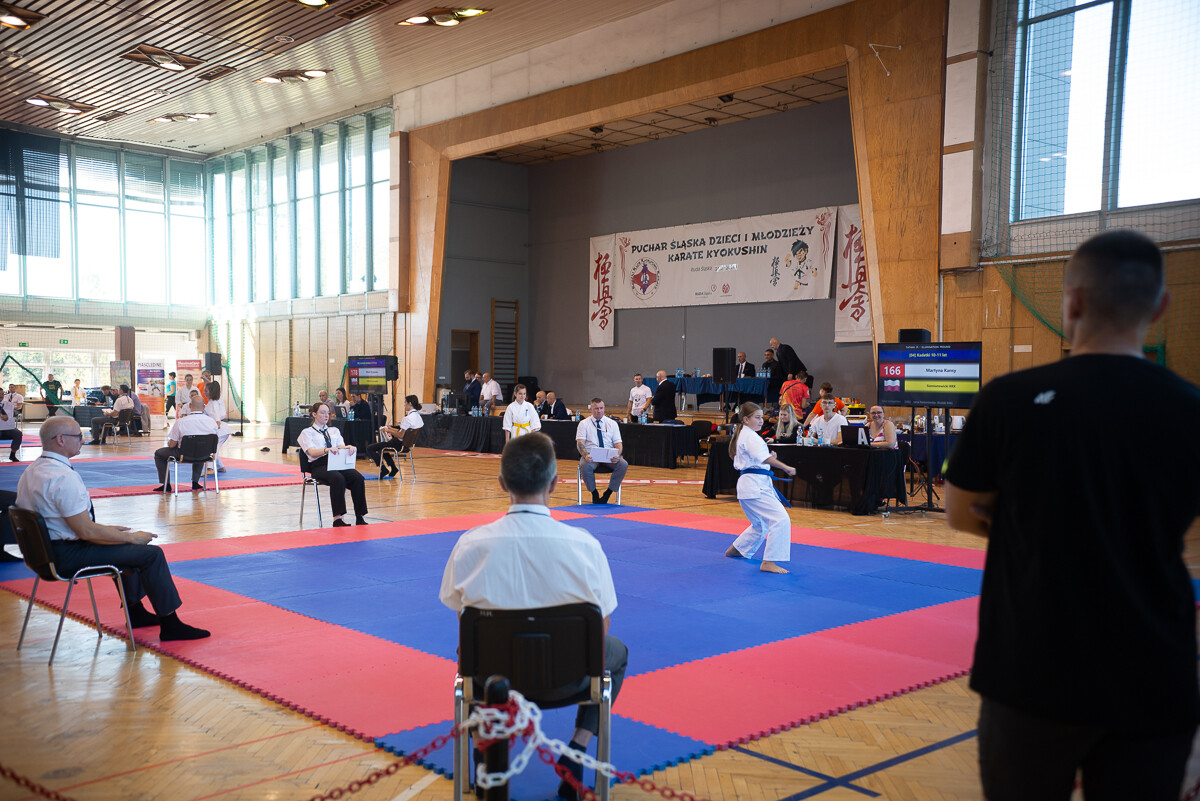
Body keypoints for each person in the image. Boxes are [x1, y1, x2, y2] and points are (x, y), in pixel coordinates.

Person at [944, 230, 1200, 801]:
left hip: (1031, 667)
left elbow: (961, 512)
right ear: (1161, 307)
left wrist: (1037, 518)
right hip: (1154, 670)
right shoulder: (1189, 410)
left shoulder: (1008, 400)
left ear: (1073, 302)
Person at [439, 432, 627, 801]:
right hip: (572, 677)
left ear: (501, 483)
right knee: (615, 651)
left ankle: (484, 751)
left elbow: (460, 615)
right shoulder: (585, 545)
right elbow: (601, 627)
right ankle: (577, 748)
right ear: (556, 484)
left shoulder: (471, 544)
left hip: (491, 679)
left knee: (469, 651)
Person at [17, 416, 211, 640]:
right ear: (60, 440)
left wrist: (111, 533)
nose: (83, 440)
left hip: (43, 554)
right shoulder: (62, 477)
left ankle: (136, 613)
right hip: (66, 555)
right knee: (151, 554)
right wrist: (132, 539)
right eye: (78, 436)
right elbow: (86, 532)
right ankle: (171, 624)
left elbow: (64, 522)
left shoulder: (33, 471)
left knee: (123, 543)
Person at [724, 402, 796, 574]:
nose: (761, 421)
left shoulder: (745, 434)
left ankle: (738, 549)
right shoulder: (750, 436)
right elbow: (764, 460)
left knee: (760, 524)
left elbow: (759, 458)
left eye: (761, 417)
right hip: (755, 487)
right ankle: (769, 562)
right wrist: (785, 467)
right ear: (746, 419)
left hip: (748, 487)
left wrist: (770, 457)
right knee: (781, 520)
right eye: (756, 417)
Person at [298, 402, 368, 527]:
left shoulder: (334, 430)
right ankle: (337, 519)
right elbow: (312, 452)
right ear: (314, 414)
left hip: (336, 463)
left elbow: (341, 447)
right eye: (322, 412)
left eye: (328, 413)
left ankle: (360, 516)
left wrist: (348, 447)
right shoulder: (307, 432)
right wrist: (326, 450)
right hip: (319, 465)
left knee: (357, 477)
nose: (326, 416)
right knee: (337, 478)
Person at [153, 397, 220, 491]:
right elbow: (215, 441)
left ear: (190, 406)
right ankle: (195, 482)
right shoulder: (212, 422)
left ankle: (166, 484)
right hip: (204, 455)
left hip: (183, 455)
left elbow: (171, 445)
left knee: (159, 454)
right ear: (204, 407)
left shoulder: (181, 422)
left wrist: (171, 443)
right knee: (201, 447)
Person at [575, 398, 627, 505]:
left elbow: (618, 444)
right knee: (584, 465)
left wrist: (617, 455)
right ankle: (594, 493)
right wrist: (585, 455)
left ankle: (608, 493)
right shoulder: (583, 424)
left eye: (601, 408)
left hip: (609, 455)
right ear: (591, 409)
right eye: (596, 408)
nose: (599, 411)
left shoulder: (612, 423)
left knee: (623, 464)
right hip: (591, 455)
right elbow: (580, 443)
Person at [368, 395, 422, 478]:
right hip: (408, 444)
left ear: (410, 403)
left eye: (405, 402)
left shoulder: (407, 418)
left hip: (399, 444)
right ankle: (393, 468)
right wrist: (390, 428)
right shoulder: (418, 417)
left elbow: (400, 435)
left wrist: (388, 430)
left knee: (370, 448)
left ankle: (383, 469)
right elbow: (404, 431)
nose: (404, 405)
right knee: (383, 447)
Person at [205, 382, 232, 472]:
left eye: (206, 391)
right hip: (222, 430)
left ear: (211, 392)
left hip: (220, 429)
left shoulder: (214, 402)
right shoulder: (214, 400)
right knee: (214, 448)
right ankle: (220, 467)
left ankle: (210, 468)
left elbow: (217, 416)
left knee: (212, 448)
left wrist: (216, 426)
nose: (204, 392)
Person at [0, 389, 22, 462]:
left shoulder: (7, 405)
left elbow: (9, 417)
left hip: (7, 428)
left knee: (18, 433)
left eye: (2, 394)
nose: (1, 396)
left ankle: (12, 455)